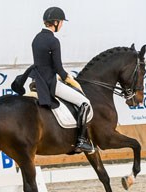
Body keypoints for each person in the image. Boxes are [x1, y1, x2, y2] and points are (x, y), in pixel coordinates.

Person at [28, 7, 94, 153]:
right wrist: (67, 77)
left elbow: (43, 63)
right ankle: (82, 140)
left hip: (37, 81)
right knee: (84, 102)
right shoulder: (53, 41)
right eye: (62, 22)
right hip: (50, 83)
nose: (62, 25)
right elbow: (58, 67)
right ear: (56, 22)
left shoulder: (36, 39)